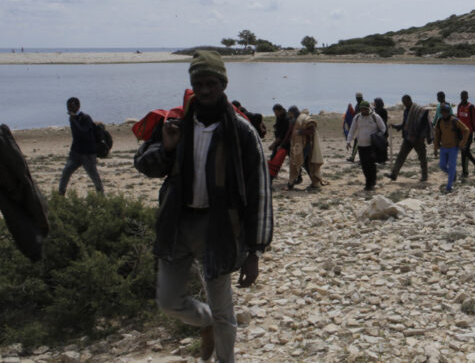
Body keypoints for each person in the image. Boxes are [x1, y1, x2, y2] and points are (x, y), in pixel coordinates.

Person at [134, 51, 272, 363]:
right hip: (177, 225)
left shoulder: (242, 132)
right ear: (192, 85)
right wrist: (168, 148)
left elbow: (260, 191)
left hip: (219, 230)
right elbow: (144, 164)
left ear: (223, 84)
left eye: (212, 83)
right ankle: (205, 321)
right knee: (168, 301)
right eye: (199, 83)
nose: (206, 89)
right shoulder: (175, 123)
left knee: (225, 310)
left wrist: (255, 251)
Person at [58, 97, 104, 195]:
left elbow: (83, 133)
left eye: (71, 107)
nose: (69, 109)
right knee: (66, 173)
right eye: (68, 107)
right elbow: (76, 136)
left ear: (78, 107)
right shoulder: (73, 119)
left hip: (87, 154)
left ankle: (101, 196)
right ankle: (60, 195)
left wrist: (73, 121)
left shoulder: (85, 118)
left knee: (94, 176)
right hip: (76, 153)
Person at [386, 95, 430, 182]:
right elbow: (404, 125)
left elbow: (425, 125)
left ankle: (424, 176)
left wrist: (422, 136)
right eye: (403, 103)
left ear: (410, 100)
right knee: (401, 156)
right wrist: (394, 126)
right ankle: (394, 175)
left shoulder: (419, 110)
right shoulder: (406, 111)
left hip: (418, 138)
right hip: (408, 137)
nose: (405, 104)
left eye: (405, 102)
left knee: (422, 157)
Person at [346, 101, 386, 192]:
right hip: (361, 146)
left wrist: (376, 136)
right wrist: (348, 141)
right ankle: (370, 182)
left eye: (365, 109)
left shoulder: (375, 117)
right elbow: (352, 130)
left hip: (372, 146)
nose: (363, 111)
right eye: (362, 109)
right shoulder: (357, 118)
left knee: (370, 165)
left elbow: (383, 128)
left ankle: (370, 183)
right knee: (364, 166)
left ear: (368, 108)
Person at [433, 104, 470, 193]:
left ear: (449, 112)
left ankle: (449, 187)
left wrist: (462, 143)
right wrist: (435, 148)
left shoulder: (455, 121)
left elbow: (466, 130)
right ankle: (452, 173)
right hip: (443, 148)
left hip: (453, 148)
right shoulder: (439, 121)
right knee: (442, 166)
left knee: (452, 166)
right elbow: (437, 136)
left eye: (445, 112)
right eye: (442, 112)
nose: (444, 114)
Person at [288, 111, 326, 191]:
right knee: (306, 164)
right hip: (301, 146)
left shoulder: (303, 119)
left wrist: (299, 132)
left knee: (297, 164)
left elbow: (312, 130)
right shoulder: (298, 120)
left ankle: (290, 185)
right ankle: (315, 183)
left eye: (291, 114)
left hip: (305, 146)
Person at [455, 91, 475, 178]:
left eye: (465, 97)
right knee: (465, 151)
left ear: (467, 97)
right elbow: (457, 119)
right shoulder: (459, 106)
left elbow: (474, 121)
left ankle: (465, 172)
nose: (463, 98)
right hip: (461, 133)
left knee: (464, 151)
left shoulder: (471, 107)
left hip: (469, 132)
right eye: (462, 97)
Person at [344, 92, 363, 162]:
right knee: (357, 142)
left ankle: (355, 158)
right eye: (357, 98)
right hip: (359, 126)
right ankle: (353, 157)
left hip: (363, 127)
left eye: (358, 98)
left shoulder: (361, 105)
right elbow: (356, 115)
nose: (357, 99)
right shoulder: (357, 105)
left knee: (358, 142)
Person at [373, 98, 390, 164]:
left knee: (382, 145)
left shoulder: (382, 110)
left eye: (374, 102)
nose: (373, 103)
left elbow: (384, 120)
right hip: (378, 129)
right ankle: (379, 158)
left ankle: (383, 159)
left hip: (382, 129)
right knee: (378, 145)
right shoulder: (375, 110)